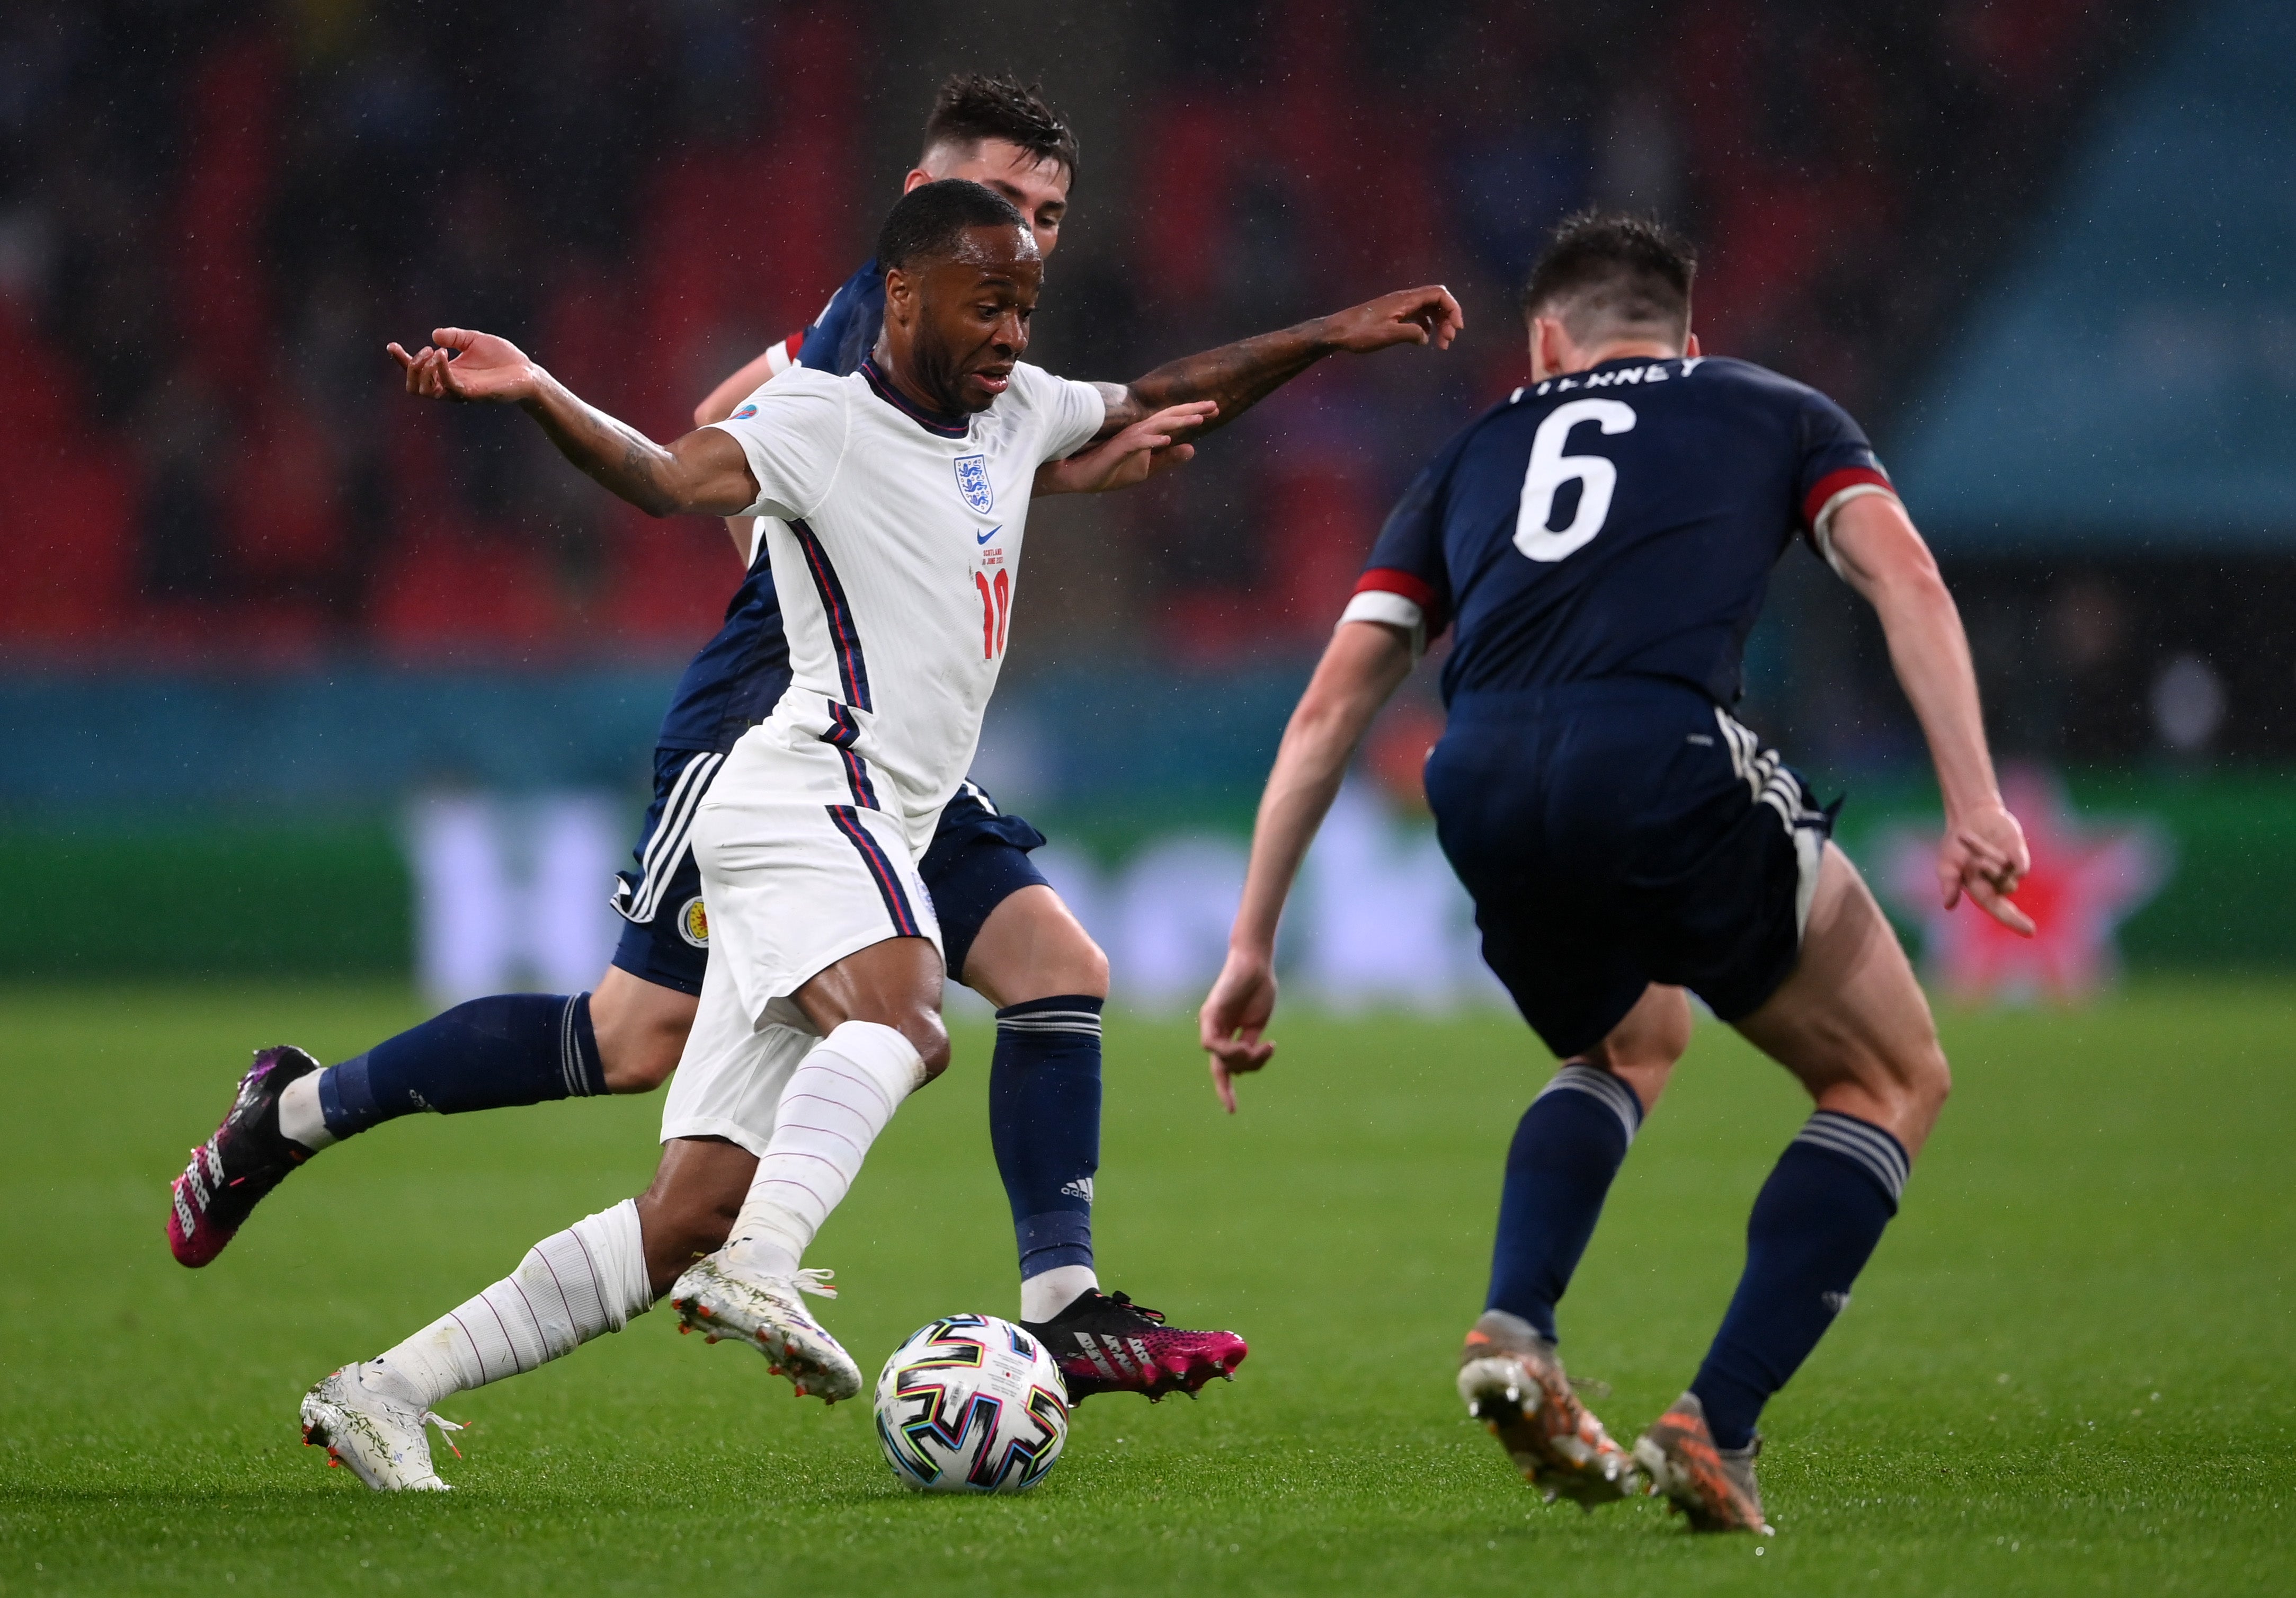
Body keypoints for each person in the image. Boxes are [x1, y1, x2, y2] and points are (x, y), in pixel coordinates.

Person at [297, 176, 1462, 1490]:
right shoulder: (816, 421)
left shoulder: (1014, 411)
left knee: (687, 1208)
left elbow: (1153, 394)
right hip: (809, 788)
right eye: (987, 303)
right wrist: (539, 390)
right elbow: (667, 477)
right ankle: (766, 1270)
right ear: (901, 293)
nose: (1014, 333)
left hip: (870, 817)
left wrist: (1330, 332)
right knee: (909, 1023)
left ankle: (383, 1388)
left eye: (1025, 306)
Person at [167, 76, 1222, 1403]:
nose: (1025, 232)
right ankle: (297, 1110)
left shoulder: (970, 338)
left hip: (883, 751)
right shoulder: (865, 323)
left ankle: (1062, 1302)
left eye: (1049, 214)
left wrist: (1027, 480)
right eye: (1004, 201)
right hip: (768, 738)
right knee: (634, 1039)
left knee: (1054, 967)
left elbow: (952, 463)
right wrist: (804, 571)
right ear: (919, 204)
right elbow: (715, 438)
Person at [1198, 212, 2030, 1533]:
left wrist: (1251, 940)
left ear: (1543, 346)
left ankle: (1518, 1323)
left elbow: (1328, 709)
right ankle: (1719, 1424)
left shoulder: (1473, 448)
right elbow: (1903, 573)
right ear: (1688, 338)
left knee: (1624, 1038)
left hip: (1479, 775)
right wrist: (1973, 795)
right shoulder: (1775, 408)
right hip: (1655, 750)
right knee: (1889, 1072)